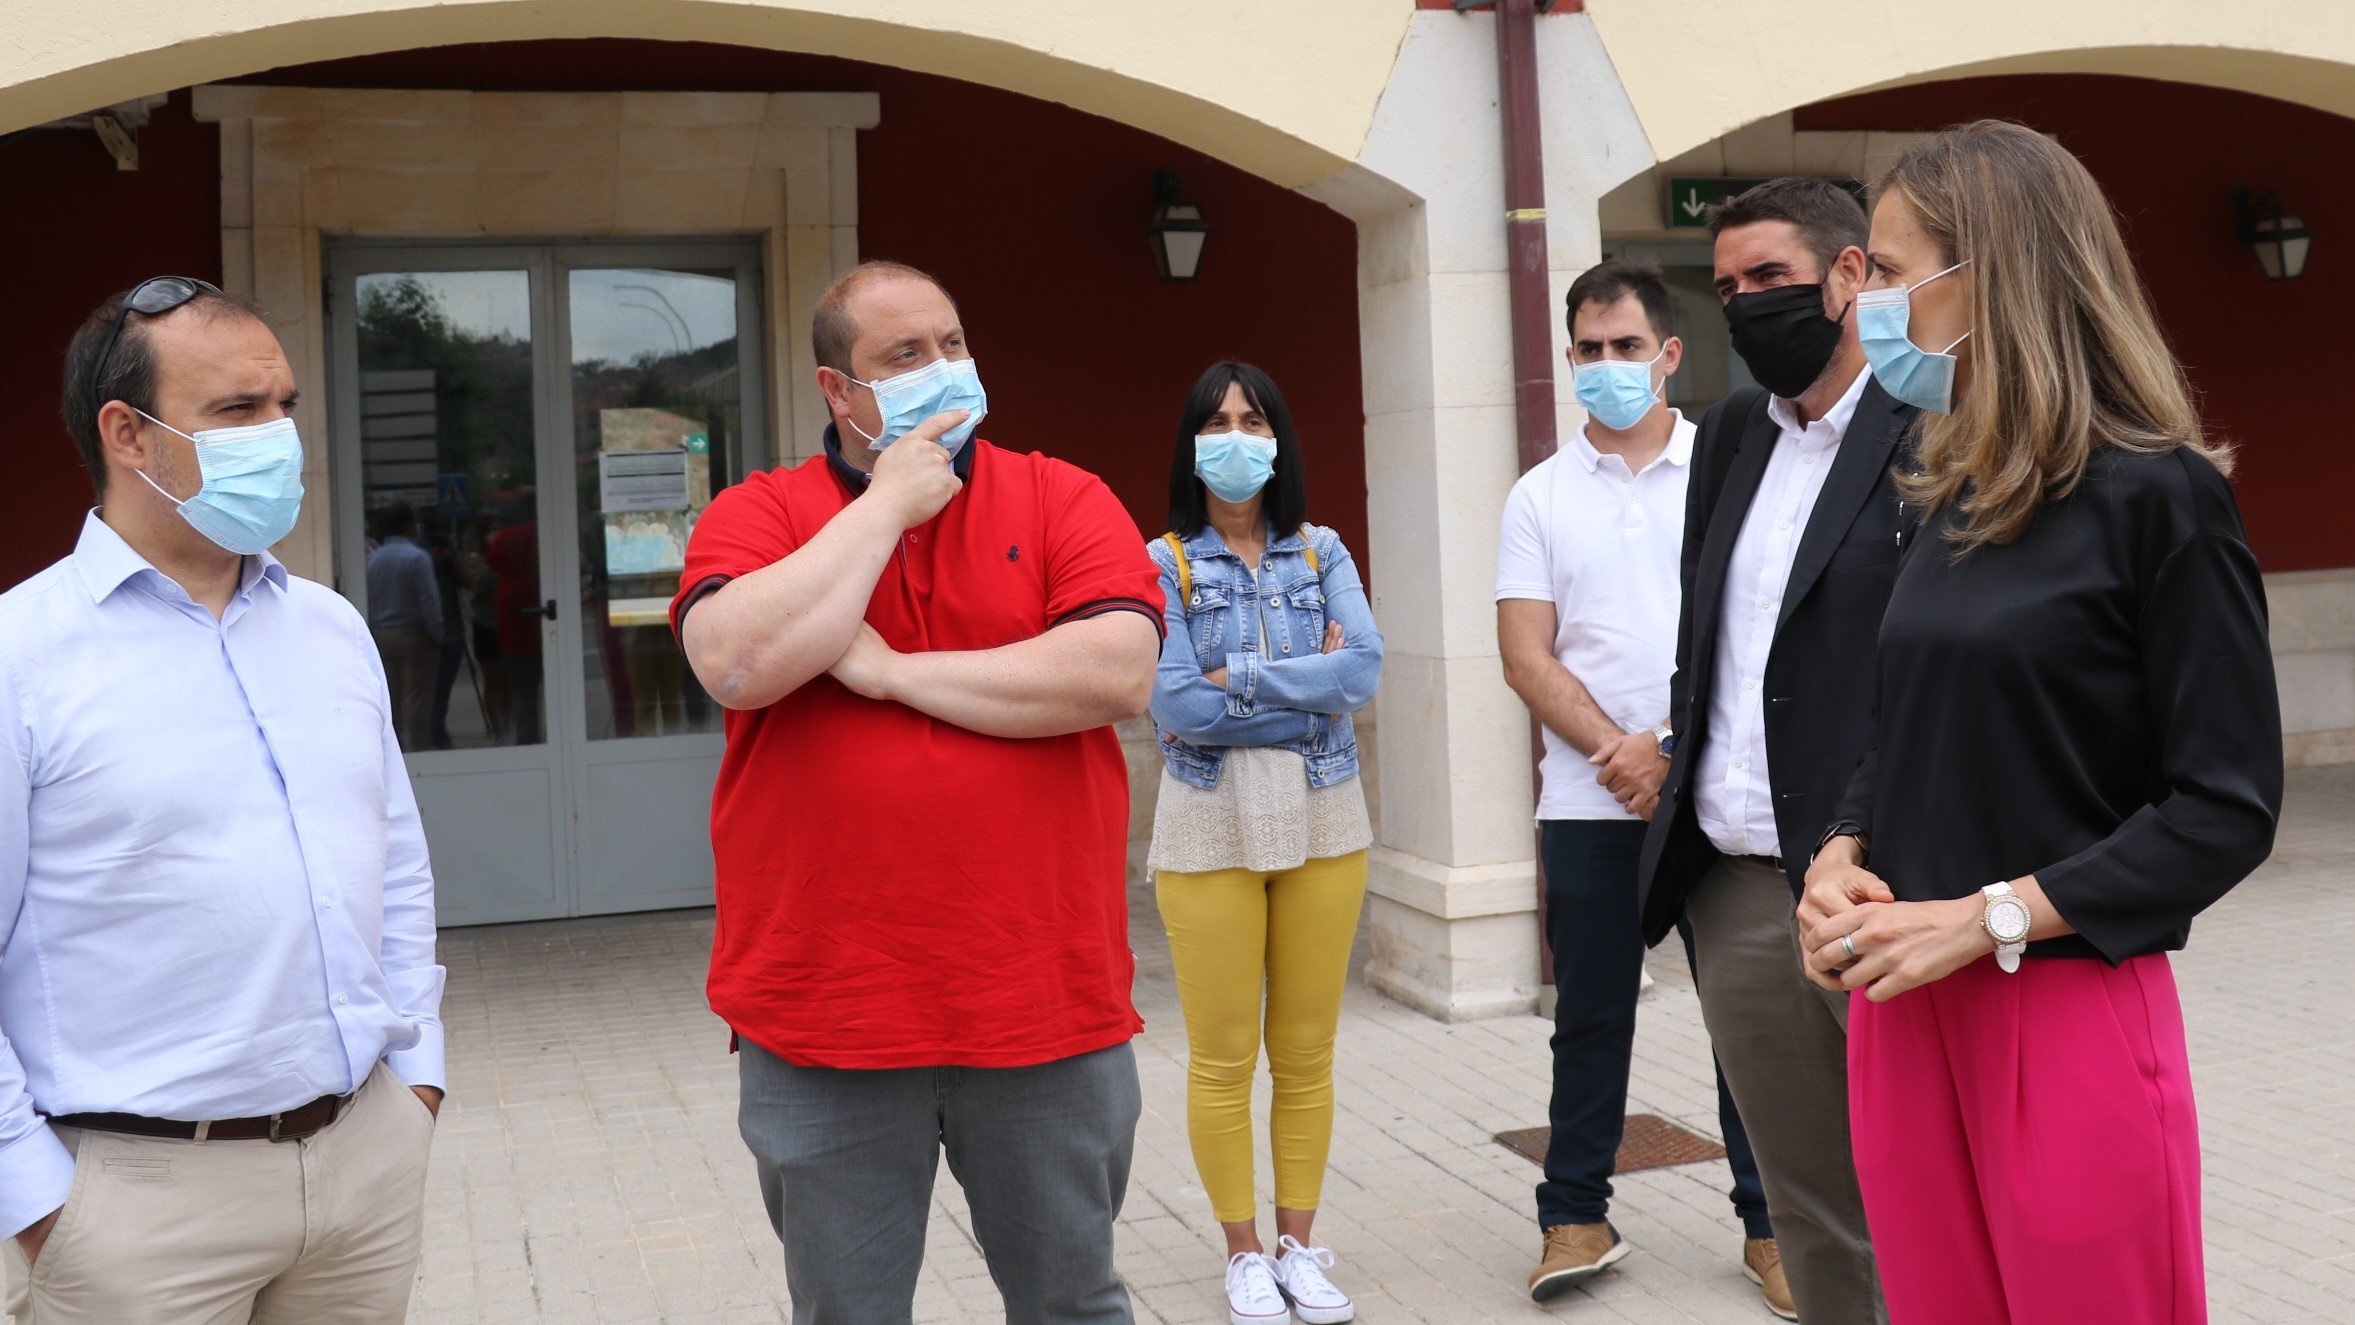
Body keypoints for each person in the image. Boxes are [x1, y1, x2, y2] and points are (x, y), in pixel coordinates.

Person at [1799, 120, 2281, 1325]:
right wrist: (1842, 849)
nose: (1869, 301)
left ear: (1997, 276)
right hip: (1905, 1006)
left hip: (2060, 998)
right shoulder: (1946, 482)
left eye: (1896, 272)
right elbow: (1906, 722)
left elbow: (2226, 805)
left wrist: (1992, 914)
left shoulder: (2163, 495)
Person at [672, 260, 1163, 1325]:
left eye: (951, 343)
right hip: (827, 1016)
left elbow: (1115, 672)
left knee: (1075, 1303)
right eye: (904, 356)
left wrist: (889, 672)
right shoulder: (761, 511)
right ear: (839, 392)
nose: (943, 369)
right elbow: (737, 661)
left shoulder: (1061, 493)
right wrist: (889, 504)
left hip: (1043, 1005)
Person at [1, 278, 445, 1322]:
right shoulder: (21, 655)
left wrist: (416, 1076)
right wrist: (37, 1200)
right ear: (130, 435)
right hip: (134, 1207)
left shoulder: (330, 626)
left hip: (363, 1167)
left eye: (286, 404)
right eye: (240, 412)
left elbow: (398, 862)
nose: (281, 435)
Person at [1634, 177, 1912, 1325]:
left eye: (1772, 279)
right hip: (1738, 888)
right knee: (1805, 1208)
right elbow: (1717, 631)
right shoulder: (1738, 429)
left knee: (1915, 1191)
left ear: (1852, 274)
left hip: (1882, 882)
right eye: (1729, 285)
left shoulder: (1930, 429)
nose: (1744, 306)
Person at [1498, 258, 1786, 1317]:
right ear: (1571, 359)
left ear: (1670, 354)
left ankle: (1774, 1225)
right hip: (1585, 806)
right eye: (1589, 349)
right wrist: (1619, 752)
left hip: (1717, 797)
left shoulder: (1733, 471)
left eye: (1627, 346)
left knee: (1749, 1020)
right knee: (1590, 1018)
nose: (1607, 366)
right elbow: (1526, 654)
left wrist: (1663, 743)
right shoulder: (1538, 495)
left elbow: (1753, 634)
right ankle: (1574, 1212)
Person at [1144, 361, 1383, 1325]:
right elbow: (1173, 701)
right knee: (1221, 1055)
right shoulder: (1161, 560)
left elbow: (1360, 670)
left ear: (1278, 439)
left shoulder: (1322, 551)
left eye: (1251, 420)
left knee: (1307, 1050)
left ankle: (1296, 1247)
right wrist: (1298, 678)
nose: (1234, 437)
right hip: (1207, 824)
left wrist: (1234, 672)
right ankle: (1240, 1253)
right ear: (1191, 443)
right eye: (1216, 421)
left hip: (1326, 816)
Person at [364, 501, 442, 750]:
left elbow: (372, 601)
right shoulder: (417, 558)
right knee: (417, 703)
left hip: (385, 636)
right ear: (410, 525)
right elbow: (429, 600)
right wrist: (437, 634)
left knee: (392, 703)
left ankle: (397, 755)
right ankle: (419, 752)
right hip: (415, 635)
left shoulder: (375, 560)